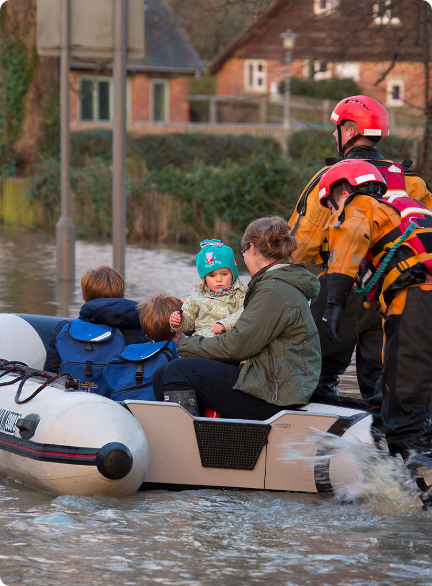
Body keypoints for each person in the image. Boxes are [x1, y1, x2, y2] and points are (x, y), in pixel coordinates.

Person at [288, 94, 432, 401]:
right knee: (382, 390)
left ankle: (322, 442)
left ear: (350, 131)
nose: (333, 135)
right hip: (395, 293)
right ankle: (378, 444)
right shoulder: (413, 182)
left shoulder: (331, 178)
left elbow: (298, 246)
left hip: (341, 290)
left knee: (314, 378)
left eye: (337, 127)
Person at [318, 159, 432, 495]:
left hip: (417, 300)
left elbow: (349, 236)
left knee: (401, 414)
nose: (332, 212)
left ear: (341, 190)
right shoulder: (409, 208)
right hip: (418, 302)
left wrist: (335, 300)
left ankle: (418, 496)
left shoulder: (358, 203)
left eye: (330, 204)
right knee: (406, 401)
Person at [153, 216, 321, 420]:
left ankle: (192, 443)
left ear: (252, 249)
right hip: (271, 381)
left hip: (275, 391)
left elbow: (238, 346)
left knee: (177, 371)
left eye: (243, 253)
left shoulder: (273, 291)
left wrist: (189, 346)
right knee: (161, 374)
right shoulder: (277, 284)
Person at [44, 265, 151, 373]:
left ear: (84, 298)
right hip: (114, 389)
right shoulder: (137, 331)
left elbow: (51, 370)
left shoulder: (64, 329)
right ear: (121, 297)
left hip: (71, 387)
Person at [169, 239, 246, 338]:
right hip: (201, 342)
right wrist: (179, 321)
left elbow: (244, 313)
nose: (218, 279)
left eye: (224, 274)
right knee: (186, 347)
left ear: (233, 274)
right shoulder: (197, 296)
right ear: (204, 278)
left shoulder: (240, 293)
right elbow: (189, 323)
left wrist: (224, 324)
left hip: (228, 341)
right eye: (212, 275)